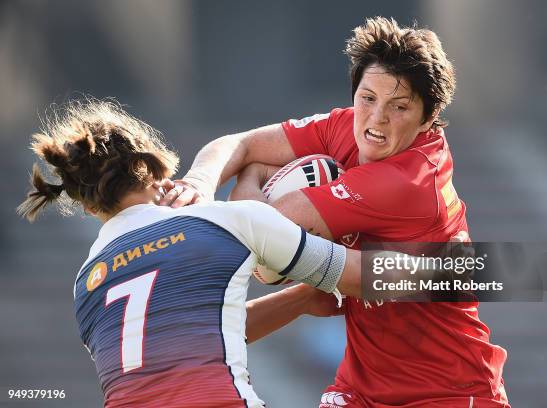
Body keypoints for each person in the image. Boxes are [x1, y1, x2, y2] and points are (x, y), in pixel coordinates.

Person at [165, 17, 510, 407]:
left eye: (399, 107)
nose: (377, 119)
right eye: (368, 98)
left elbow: (265, 248)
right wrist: (197, 183)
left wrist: (253, 176)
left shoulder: (404, 183)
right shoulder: (346, 126)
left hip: (445, 393)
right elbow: (239, 144)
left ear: (428, 119)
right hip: (362, 387)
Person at [17, 99, 410, 407]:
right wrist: (465, 268)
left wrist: (301, 299)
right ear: (154, 165)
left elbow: (200, 336)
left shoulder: (86, 282)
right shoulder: (225, 222)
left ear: (88, 205)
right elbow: (365, 276)